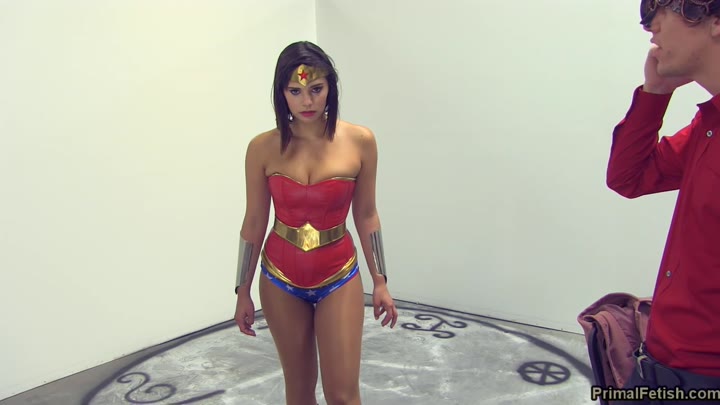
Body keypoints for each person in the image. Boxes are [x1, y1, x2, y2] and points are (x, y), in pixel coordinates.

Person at [232, 40, 398, 405]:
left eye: (316, 89)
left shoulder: (360, 141)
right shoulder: (261, 148)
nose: (307, 101)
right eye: (295, 91)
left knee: (343, 395)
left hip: (339, 275)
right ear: (281, 93)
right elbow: (255, 220)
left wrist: (381, 281)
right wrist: (242, 290)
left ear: (330, 88)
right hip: (279, 278)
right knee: (299, 392)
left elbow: (367, 214)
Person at [606, 0, 720, 403]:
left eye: (660, 8)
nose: (649, 25)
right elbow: (628, 178)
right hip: (658, 365)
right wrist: (655, 93)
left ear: (714, 21)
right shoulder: (708, 126)